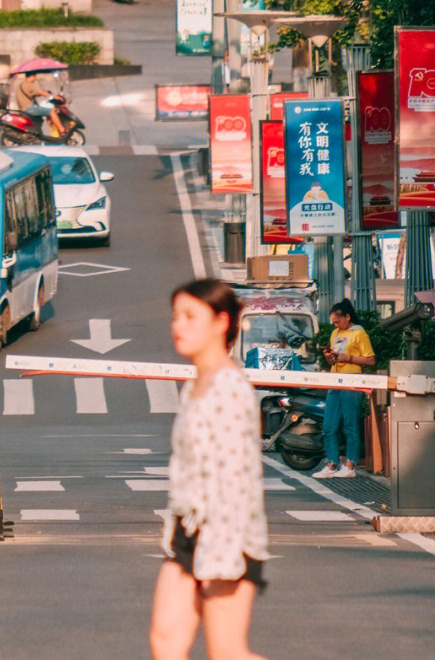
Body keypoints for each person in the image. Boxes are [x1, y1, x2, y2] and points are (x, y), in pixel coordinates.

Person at [151, 279, 269, 660]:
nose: (178, 326)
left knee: (228, 654)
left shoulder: (230, 389)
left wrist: (219, 556)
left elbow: (236, 482)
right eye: (175, 316)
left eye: (189, 316)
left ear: (221, 322)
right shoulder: (195, 385)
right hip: (190, 530)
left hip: (228, 539)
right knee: (166, 641)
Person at [314, 299, 376, 479]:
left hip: (352, 381)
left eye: (338, 321)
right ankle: (331, 463)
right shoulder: (335, 333)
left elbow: (370, 359)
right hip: (335, 381)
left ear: (348, 317)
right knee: (329, 426)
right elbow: (335, 361)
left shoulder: (359, 333)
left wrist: (347, 357)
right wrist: (329, 357)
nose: (336, 325)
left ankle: (350, 464)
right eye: (334, 322)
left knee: (350, 424)